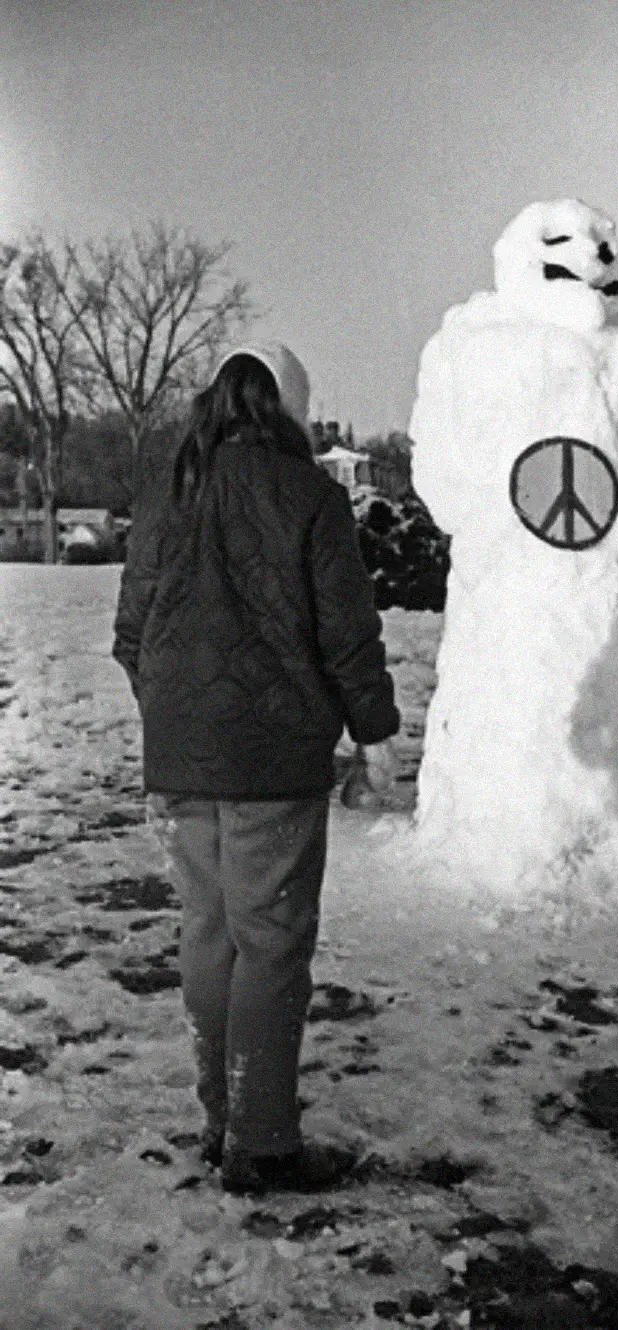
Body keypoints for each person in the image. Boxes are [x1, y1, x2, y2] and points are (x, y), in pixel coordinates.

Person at [112, 342, 401, 1195]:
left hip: (181, 758)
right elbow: (346, 632)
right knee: (270, 945)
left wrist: (174, 715)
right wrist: (374, 733)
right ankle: (263, 1142)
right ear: (291, 414)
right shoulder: (311, 495)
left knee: (208, 936)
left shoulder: (167, 495)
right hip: (274, 763)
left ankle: (221, 1117)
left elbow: (132, 637)